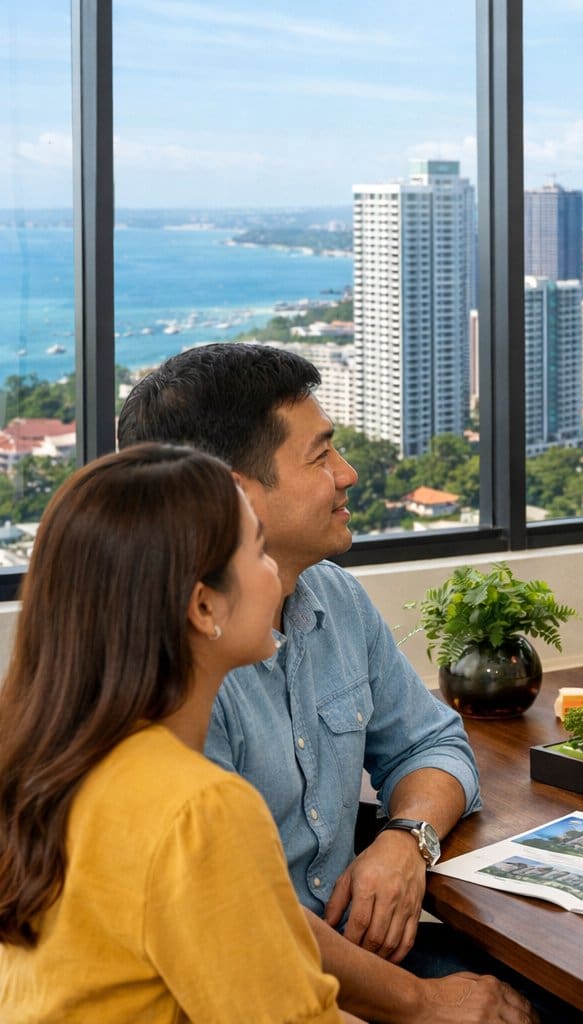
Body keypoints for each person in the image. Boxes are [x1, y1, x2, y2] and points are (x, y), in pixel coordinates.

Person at [118, 346, 535, 1023]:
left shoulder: (332, 596)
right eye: (320, 458)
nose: (349, 474)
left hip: (346, 958)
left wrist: (406, 840)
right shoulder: (174, 678)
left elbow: (433, 744)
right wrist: (424, 1006)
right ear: (233, 493)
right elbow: (246, 929)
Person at [0, 445, 346, 1021]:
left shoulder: (47, 761)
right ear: (204, 606)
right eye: (259, 551)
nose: (273, 571)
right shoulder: (201, 810)